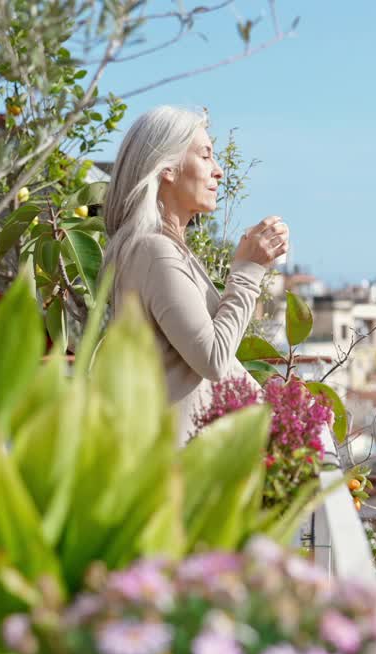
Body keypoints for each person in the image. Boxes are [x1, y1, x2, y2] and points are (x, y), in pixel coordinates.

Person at [101, 106, 288, 437]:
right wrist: (248, 271)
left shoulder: (162, 249)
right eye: (205, 156)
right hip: (180, 466)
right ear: (169, 169)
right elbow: (213, 359)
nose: (218, 172)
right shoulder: (154, 251)